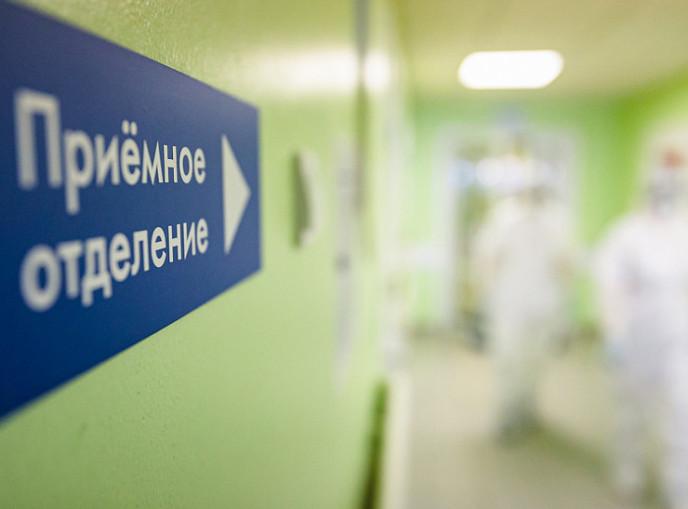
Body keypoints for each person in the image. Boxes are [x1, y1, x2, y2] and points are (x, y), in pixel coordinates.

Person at [595, 149, 688, 508]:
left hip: (679, 337)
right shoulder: (625, 233)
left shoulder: (683, 230)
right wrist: (614, 334)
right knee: (631, 411)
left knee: (682, 414)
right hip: (636, 335)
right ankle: (627, 470)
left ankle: (679, 488)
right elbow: (610, 287)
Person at [473, 169, 575, 442]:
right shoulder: (503, 219)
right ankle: (506, 416)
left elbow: (564, 265)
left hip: (545, 304)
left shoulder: (558, 220)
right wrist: (486, 298)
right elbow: (488, 260)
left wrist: (565, 306)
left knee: (536, 361)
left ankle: (529, 410)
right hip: (510, 304)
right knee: (508, 361)